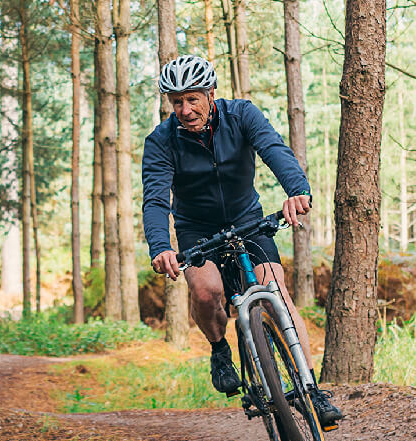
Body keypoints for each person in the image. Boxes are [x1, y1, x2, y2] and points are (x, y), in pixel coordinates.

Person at [142, 55, 342, 427]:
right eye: (177, 102)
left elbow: (274, 150)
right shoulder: (161, 142)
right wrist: (160, 247)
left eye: (192, 99)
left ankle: (310, 389)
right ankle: (220, 349)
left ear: (211, 93)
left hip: (247, 219)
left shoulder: (242, 115)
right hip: (196, 229)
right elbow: (155, 199)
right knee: (205, 292)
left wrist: (297, 191)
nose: (185, 110)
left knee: (275, 290)